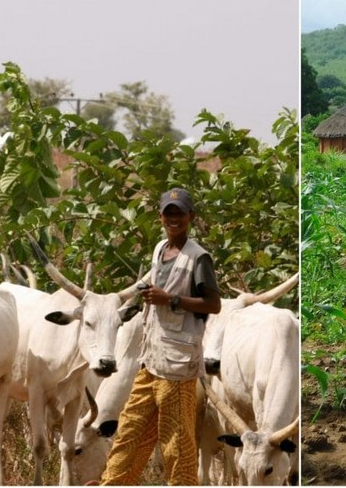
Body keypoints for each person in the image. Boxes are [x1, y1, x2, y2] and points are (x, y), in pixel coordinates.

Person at [99, 187, 221, 486]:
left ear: (191, 217)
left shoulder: (199, 258)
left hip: (178, 371)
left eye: (180, 213)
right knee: (129, 432)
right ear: (160, 217)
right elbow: (154, 281)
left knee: (177, 446)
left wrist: (172, 299)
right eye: (169, 213)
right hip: (150, 362)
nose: (174, 219)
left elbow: (213, 304)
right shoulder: (159, 249)